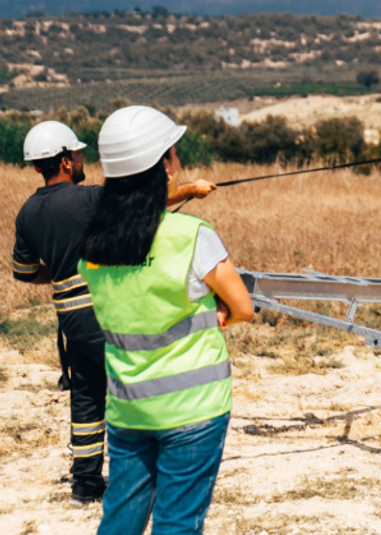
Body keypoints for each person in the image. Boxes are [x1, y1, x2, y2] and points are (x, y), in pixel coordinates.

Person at [11, 120, 217, 506]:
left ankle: (85, 485)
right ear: (66, 162)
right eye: (78, 153)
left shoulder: (27, 213)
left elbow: (23, 272)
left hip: (70, 318)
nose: (83, 157)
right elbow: (139, 202)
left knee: (87, 397)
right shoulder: (87, 198)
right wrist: (190, 190)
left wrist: (59, 273)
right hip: (105, 311)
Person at [77, 106, 254, 535]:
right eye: (173, 153)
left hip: (128, 408)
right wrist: (216, 314)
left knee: (119, 518)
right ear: (165, 166)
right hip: (193, 409)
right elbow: (243, 307)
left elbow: (131, 211)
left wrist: (187, 189)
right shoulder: (191, 236)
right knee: (176, 524)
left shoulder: (94, 245)